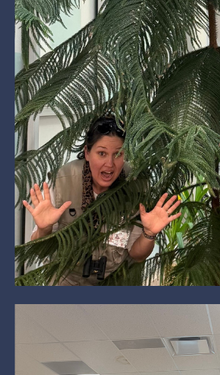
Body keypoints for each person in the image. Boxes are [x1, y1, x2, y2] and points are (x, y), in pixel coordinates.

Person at [22, 115, 182, 285]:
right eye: (101, 153)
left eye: (118, 154)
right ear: (87, 153)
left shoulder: (136, 184)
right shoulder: (63, 181)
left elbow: (137, 254)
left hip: (115, 281)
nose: (110, 164)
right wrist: (44, 229)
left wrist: (149, 234)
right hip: (65, 280)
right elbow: (39, 251)